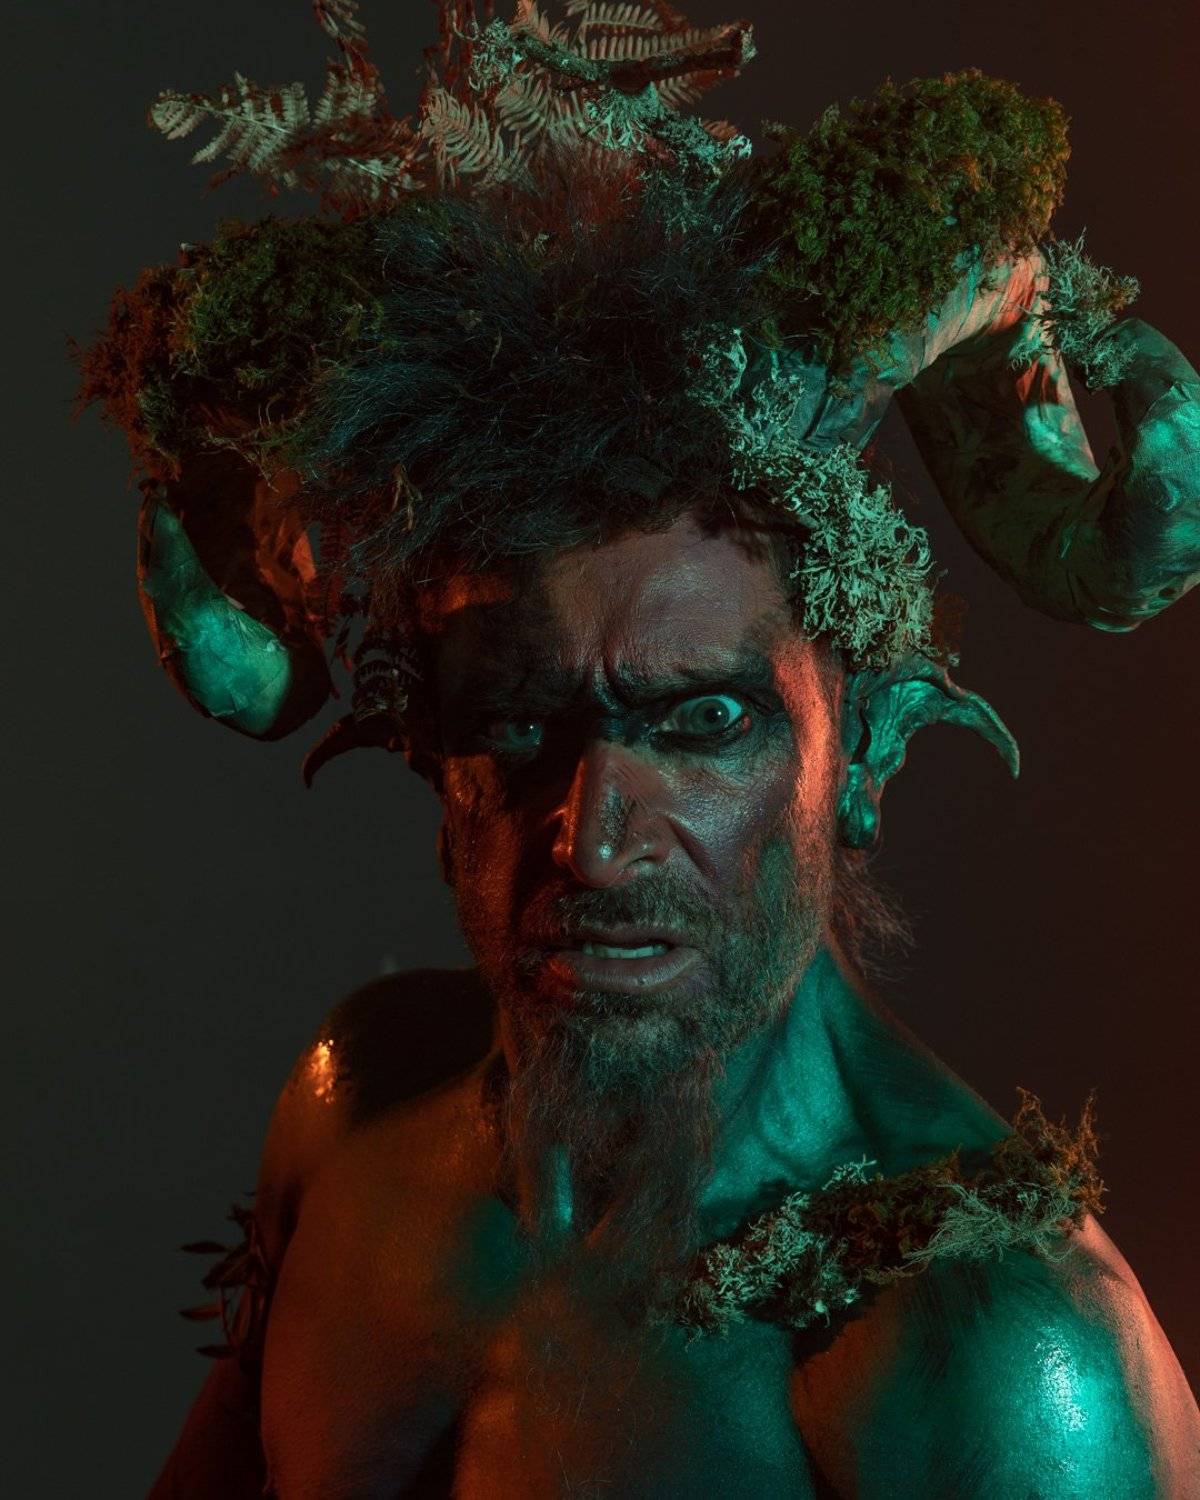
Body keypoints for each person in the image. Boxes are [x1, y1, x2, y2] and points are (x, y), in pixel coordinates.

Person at [72, 3, 1200, 1494]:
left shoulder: (982, 1350)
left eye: (706, 721)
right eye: (515, 725)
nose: (595, 840)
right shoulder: (355, 1119)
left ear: (864, 748)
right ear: (428, 743)